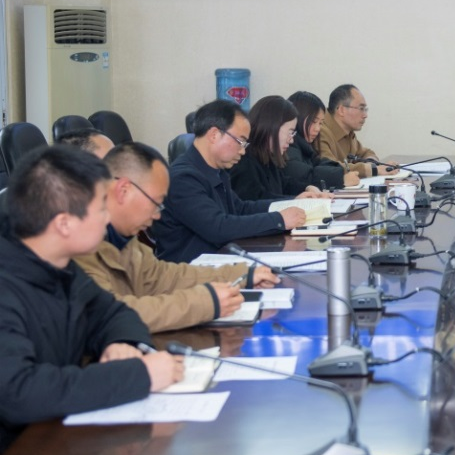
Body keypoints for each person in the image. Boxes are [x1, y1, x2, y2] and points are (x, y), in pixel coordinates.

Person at [0, 145, 183, 454]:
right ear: (64, 223)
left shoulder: (61, 266)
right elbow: (20, 393)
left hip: (54, 445)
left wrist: (122, 343)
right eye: (101, 209)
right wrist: (138, 375)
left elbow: (113, 313)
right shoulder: (8, 285)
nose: (108, 217)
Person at [74, 142, 280, 333]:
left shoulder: (125, 239)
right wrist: (205, 303)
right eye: (155, 203)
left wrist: (242, 274)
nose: (157, 215)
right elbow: (113, 314)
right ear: (124, 190)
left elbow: (163, 277)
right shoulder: (80, 247)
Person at [150, 100, 307, 263]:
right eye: (240, 142)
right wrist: (279, 220)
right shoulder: (182, 178)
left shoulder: (216, 171)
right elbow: (218, 227)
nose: (243, 151)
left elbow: (240, 208)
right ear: (214, 134)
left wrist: (292, 203)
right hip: (191, 269)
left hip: (220, 261)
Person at [229, 95, 332, 202]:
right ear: (273, 127)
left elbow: (284, 184)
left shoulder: (267, 157)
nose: (291, 140)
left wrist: (307, 188)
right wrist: (293, 200)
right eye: (290, 132)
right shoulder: (244, 162)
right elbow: (255, 201)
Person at [281, 91, 360, 194]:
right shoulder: (287, 146)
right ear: (298, 119)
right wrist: (341, 179)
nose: (317, 129)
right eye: (314, 122)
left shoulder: (305, 147)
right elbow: (305, 176)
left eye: (321, 123)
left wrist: (340, 170)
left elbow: (320, 162)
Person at [317, 84, 389, 178]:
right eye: (361, 109)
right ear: (341, 110)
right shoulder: (320, 131)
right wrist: (373, 169)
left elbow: (366, 153)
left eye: (365, 109)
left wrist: (371, 163)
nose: (365, 115)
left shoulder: (348, 132)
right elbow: (331, 168)